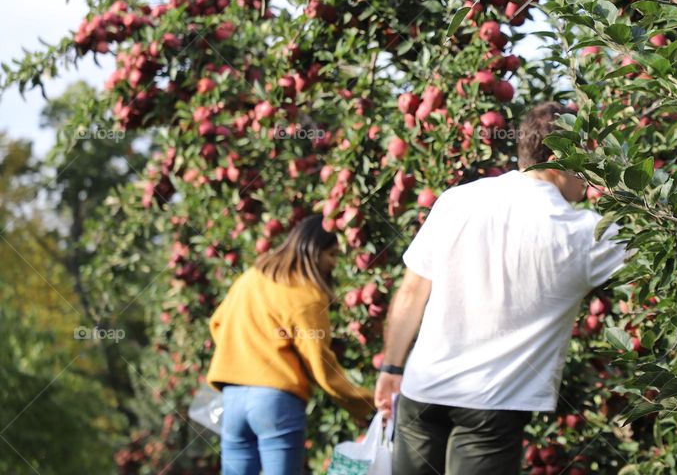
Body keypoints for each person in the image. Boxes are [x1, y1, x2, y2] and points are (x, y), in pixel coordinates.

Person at [374, 101, 628, 474]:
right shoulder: (585, 234)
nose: (591, 173)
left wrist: (392, 367)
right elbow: (660, 243)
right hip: (492, 405)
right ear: (561, 156)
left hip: (422, 389)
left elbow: (412, 292)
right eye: (588, 156)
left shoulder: (459, 199)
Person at [207, 215, 375, 475]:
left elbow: (218, 324)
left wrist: (246, 354)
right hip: (275, 399)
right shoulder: (305, 294)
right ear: (313, 250)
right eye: (331, 254)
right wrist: (365, 401)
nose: (333, 263)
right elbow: (320, 363)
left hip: (233, 398)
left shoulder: (250, 278)